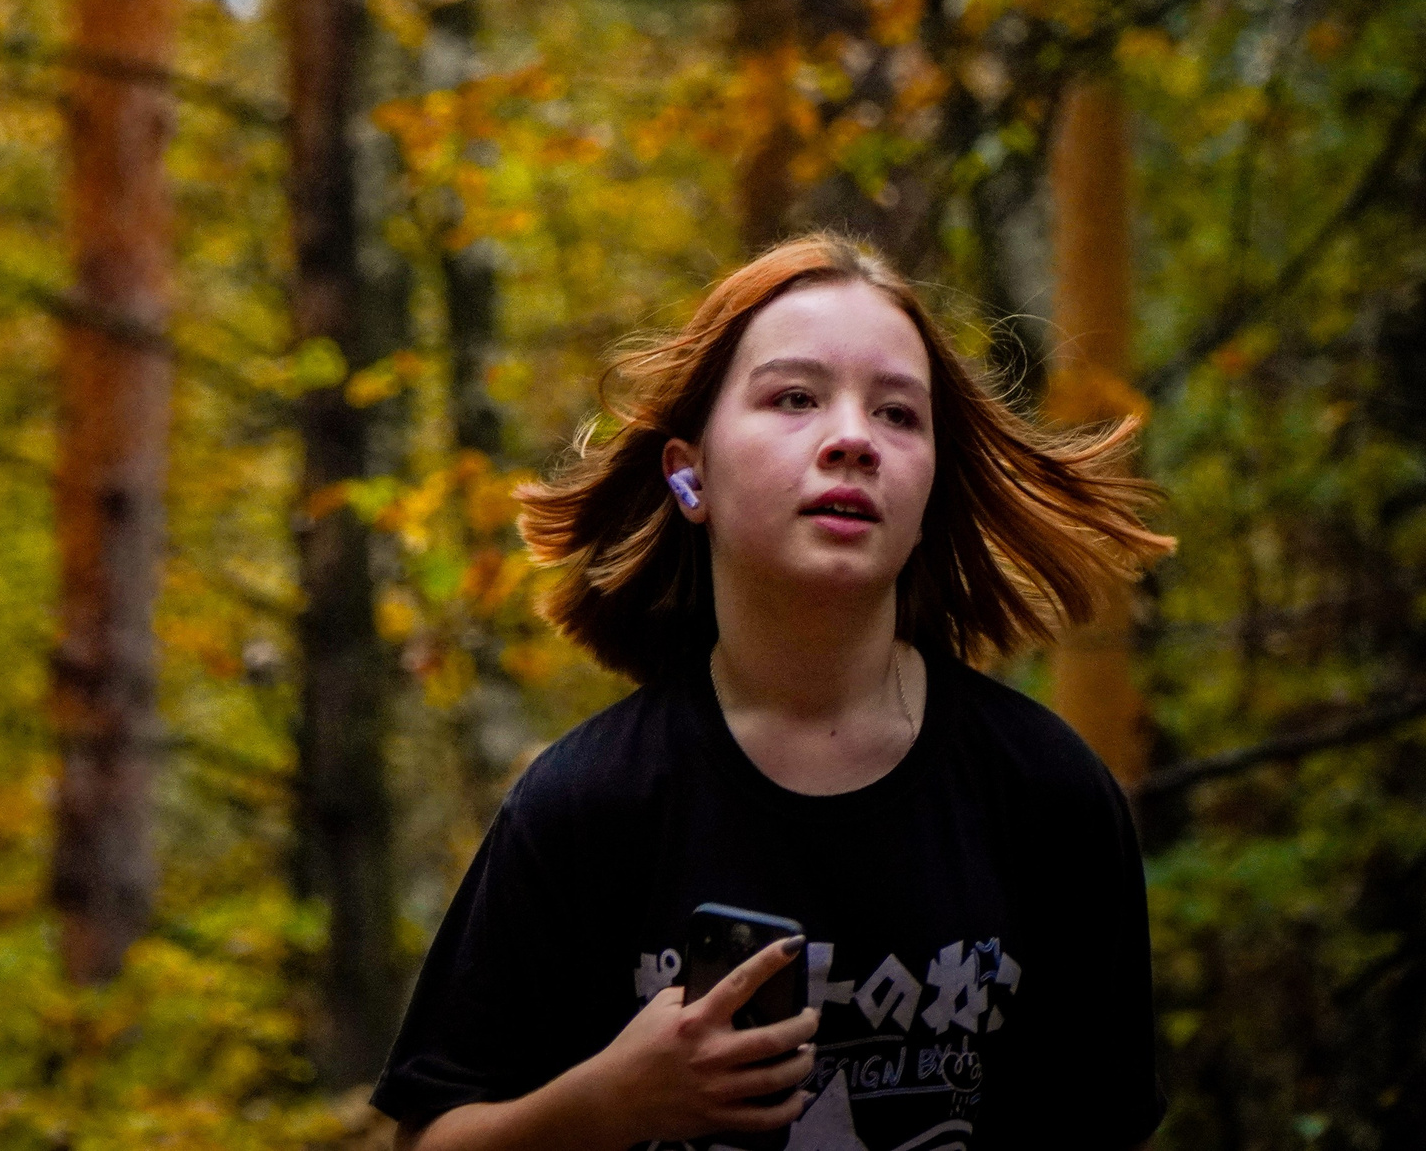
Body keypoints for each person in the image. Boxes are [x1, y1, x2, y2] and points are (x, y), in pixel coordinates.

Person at [374, 234, 1174, 1151]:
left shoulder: (1049, 799)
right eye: (795, 397)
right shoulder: (585, 807)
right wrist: (609, 1102)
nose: (852, 439)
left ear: (930, 486)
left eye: (899, 415)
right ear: (689, 473)